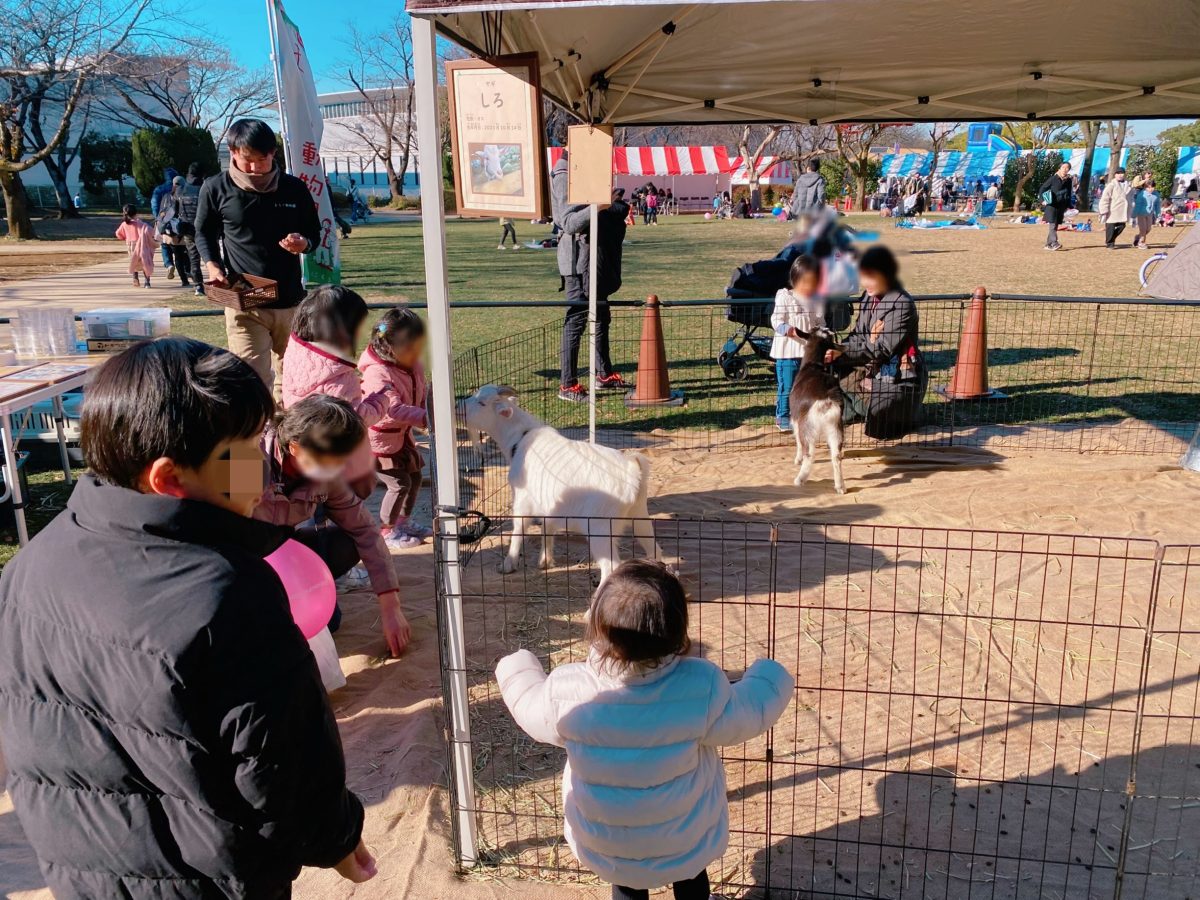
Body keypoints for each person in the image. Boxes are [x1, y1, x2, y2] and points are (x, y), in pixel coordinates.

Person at [0, 338, 375, 896]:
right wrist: (336, 836)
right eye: (246, 452)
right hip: (208, 880)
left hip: (81, 869)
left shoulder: (29, 564)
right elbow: (281, 762)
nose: (261, 467)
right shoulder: (228, 595)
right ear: (170, 479)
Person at [495, 559, 793, 900]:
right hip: (686, 836)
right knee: (691, 874)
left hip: (609, 840)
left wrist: (518, 667)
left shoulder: (568, 689)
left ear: (597, 626)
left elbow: (530, 708)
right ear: (678, 630)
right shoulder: (701, 685)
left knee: (625, 884)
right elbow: (749, 713)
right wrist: (768, 677)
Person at [255, 394, 412, 656]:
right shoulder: (245, 457)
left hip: (284, 547)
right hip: (241, 552)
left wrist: (391, 606)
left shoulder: (326, 471)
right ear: (295, 447)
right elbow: (226, 529)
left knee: (330, 619)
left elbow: (364, 531)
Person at [196, 118, 321, 395]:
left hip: (290, 300)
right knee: (251, 379)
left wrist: (305, 243)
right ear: (232, 152)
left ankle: (284, 435)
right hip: (246, 302)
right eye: (247, 159)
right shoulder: (216, 188)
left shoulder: (293, 188)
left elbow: (314, 231)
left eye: (261, 160)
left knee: (295, 381)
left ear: (273, 154)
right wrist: (212, 265)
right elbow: (203, 233)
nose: (254, 168)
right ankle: (256, 436)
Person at [282, 284, 397, 499]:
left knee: (309, 505)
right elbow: (355, 418)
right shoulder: (339, 376)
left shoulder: (296, 354)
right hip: (335, 461)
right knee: (339, 509)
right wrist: (380, 399)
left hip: (301, 452)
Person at [552, 151, 632, 402]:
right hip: (576, 263)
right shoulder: (564, 174)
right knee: (576, 321)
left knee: (601, 318)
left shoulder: (580, 170)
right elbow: (570, 223)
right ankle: (567, 385)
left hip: (595, 260)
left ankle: (603, 375)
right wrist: (601, 205)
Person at [827, 246, 926, 440]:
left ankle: (901, 412)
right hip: (871, 363)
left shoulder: (902, 304)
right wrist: (838, 350)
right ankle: (856, 407)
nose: (866, 283)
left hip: (896, 374)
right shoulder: (868, 297)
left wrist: (844, 353)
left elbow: (882, 348)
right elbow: (858, 335)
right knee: (832, 372)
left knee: (879, 419)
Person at [360, 307, 430, 549]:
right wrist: (426, 418)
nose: (417, 352)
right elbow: (392, 409)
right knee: (398, 484)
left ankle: (403, 521)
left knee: (415, 477)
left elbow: (421, 390)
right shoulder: (376, 374)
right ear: (390, 346)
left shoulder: (412, 365)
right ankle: (387, 530)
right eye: (411, 348)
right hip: (381, 443)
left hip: (403, 437)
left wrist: (427, 404)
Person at [770, 255, 824, 432]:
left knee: (806, 386)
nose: (809, 287)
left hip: (807, 353)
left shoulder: (816, 301)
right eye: (805, 282)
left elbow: (820, 323)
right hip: (787, 351)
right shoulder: (785, 297)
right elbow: (776, 320)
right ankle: (783, 416)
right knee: (787, 385)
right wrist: (787, 329)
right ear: (795, 280)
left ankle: (804, 415)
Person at [176, 162, 206, 295]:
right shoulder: (205, 188)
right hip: (205, 228)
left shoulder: (181, 189)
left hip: (187, 228)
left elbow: (176, 209)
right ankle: (220, 282)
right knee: (211, 255)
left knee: (193, 258)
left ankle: (198, 286)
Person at [115, 203, 156, 288]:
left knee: (134, 262)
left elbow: (118, 234)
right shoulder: (141, 224)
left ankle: (135, 279)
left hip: (130, 246)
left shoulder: (124, 224)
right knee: (145, 262)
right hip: (141, 246)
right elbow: (151, 232)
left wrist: (125, 237)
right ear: (136, 213)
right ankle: (147, 282)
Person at [1038, 161, 1073, 251]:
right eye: (1063, 167)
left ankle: (1048, 244)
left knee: (1056, 225)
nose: (1065, 169)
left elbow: (1069, 193)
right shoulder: (1053, 178)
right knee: (1053, 224)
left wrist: (1069, 205)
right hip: (1051, 205)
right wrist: (1042, 200)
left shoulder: (1068, 180)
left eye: (1067, 168)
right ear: (1059, 168)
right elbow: (1042, 188)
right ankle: (1054, 242)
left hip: (1061, 205)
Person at [150, 166, 178, 272]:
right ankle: (183, 266)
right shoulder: (179, 188)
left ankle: (169, 263)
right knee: (179, 244)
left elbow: (154, 205)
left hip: (162, 218)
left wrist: (158, 218)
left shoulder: (159, 189)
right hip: (176, 219)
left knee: (164, 243)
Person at [1098, 166, 1133, 249]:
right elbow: (1105, 198)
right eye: (1118, 173)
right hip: (1112, 209)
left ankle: (1112, 239)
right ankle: (1110, 243)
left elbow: (1130, 198)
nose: (1120, 175)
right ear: (1115, 175)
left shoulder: (1128, 185)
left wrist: (1131, 208)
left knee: (1122, 226)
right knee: (1110, 227)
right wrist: (1104, 209)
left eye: (1122, 173)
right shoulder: (1111, 185)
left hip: (1122, 210)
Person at [1132, 177, 1161, 250]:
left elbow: (1158, 205)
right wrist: (1134, 214)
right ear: (1145, 188)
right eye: (1148, 188)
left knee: (1148, 229)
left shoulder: (1156, 194)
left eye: (1152, 187)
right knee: (1143, 229)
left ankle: (1138, 237)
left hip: (1150, 214)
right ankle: (1141, 243)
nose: (1150, 189)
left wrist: (1158, 214)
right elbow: (1137, 205)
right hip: (1141, 213)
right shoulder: (1141, 194)